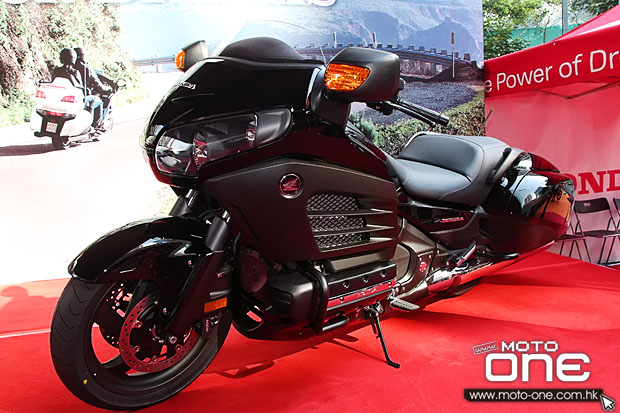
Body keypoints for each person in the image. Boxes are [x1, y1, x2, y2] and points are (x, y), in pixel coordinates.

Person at [73, 47, 111, 128]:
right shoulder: (86, 69)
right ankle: (96, 126)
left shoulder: (65, 69)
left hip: (70, 96)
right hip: (82, 97)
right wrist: (108, 89)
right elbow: (99, 86)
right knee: (98, 101)